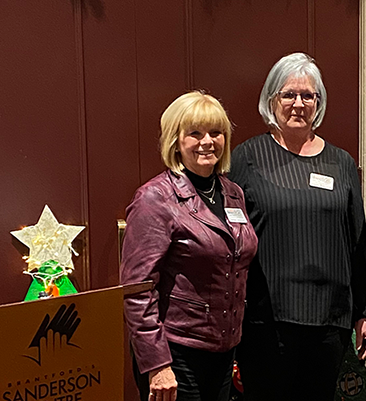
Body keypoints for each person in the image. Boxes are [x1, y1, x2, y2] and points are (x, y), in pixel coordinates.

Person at [228, 52, 366, 400]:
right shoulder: (246, 158)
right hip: (265, 323)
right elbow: (229, 240)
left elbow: (356, 242)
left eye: (308, 95)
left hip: (329, 323)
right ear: (272, 100)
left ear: (318, 102)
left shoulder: (341, 163)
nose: (298, 103)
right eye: (288, 94)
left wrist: (365, 314)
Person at [121, 91, 258, 401]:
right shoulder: (155, 198)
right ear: (176, 140)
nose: (207, 141)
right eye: (195, 133)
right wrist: (157, 365)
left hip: (223, 351)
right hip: (175, 354)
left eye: (216, 132)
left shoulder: (233, 193)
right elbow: (136, 289)